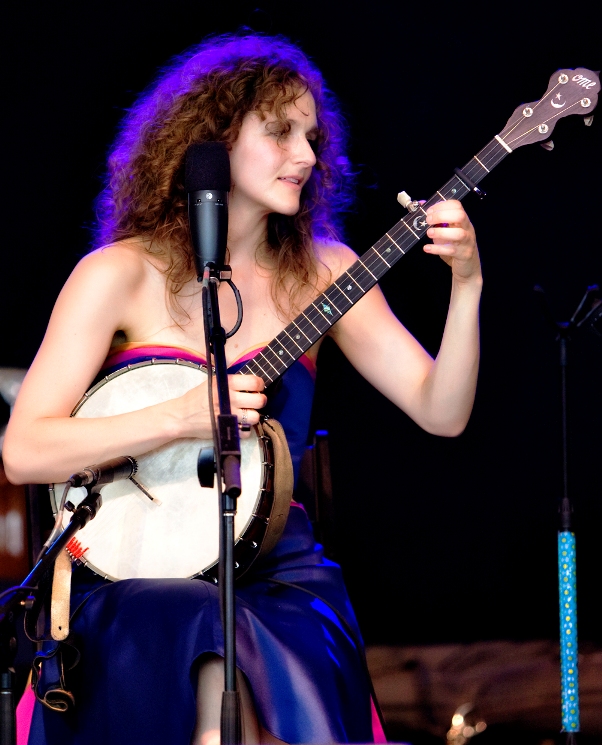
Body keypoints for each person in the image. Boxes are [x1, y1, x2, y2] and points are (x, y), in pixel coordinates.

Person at [3, 32, 482, 745]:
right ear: (214, 138)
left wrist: (468, 283)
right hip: (136, 569)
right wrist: (179, 417)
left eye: (313, 137)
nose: (309, 156)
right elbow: (25, 449)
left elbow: (441, 413)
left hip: (275, 566)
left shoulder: (326, 271)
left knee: (248, 651)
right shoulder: (117, 274)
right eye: (281, 132)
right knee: (198, 632)